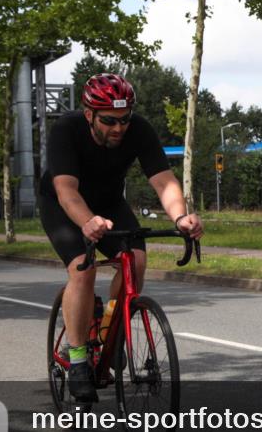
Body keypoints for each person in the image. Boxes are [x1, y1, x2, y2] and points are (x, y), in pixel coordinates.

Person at [39, 72, 203, 402]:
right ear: (89, 115)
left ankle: (108, 330)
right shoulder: (66, 131)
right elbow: (66, 190)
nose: (118, 128)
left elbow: (164, 181)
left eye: (124, 119)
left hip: (109, 202)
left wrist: (181, 217)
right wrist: (87, 222)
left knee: (137, 261)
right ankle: (79, 359)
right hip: (64, 205)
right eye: (109, 121)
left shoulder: (138, 129)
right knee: (83, 270)